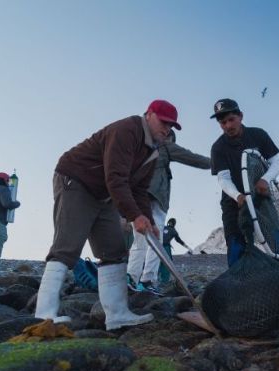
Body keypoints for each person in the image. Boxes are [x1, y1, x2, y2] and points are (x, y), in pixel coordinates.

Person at [33, 99, 181, 330]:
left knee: (113, 250)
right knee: (67, 246)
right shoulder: (127, 130)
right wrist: (135, 216)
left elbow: (140, 190)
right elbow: (116, 177)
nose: (167, 128)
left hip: (105, 193)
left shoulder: (153, 152)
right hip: (77, 181)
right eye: (164, 122)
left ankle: (117, 314)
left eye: (171, 126)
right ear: (149, 115)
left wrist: (148, 220)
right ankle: (44, 314)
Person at [126, 132, 210, 294]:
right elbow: (193, 158)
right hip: (156, 199)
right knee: (155, 241)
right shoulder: (166, 146)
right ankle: (148, 280)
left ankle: (131, 278)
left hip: (137, 197)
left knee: (139, 240)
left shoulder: (139, 150)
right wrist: (216, 163)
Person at [210, 98, 279, 266]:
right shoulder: (218, 147)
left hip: (261, 196)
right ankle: (238, 283)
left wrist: (265, 179)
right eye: (222, 122)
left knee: (275, 237)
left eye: (231, 120)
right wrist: (238, 196)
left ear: (240, 116)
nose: (228, 125)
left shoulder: (258, 135)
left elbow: (276, 163)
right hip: (233, 202)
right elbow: (223, 178)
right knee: (235, 243)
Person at [158, 218, 194, 284]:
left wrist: (187, 247)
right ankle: (160, 280)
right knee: (162, 262)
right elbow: (179, 240)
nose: (170, 223)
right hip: (161, 246)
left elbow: (178, 240)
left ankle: (160, 280)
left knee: (162, 263)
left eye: (171, 222)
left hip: (162, 246)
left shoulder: (169, 229)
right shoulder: (168, 229)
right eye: (170, 222)